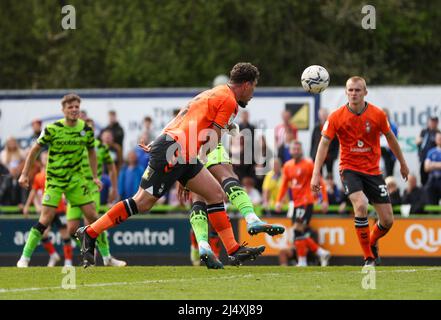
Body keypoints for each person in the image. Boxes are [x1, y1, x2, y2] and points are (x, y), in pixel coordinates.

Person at [75, 63, 275, 269]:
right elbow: (212, 138)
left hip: (179, 149)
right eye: (254, 88)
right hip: (176, 151)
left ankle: (233, 250)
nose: (252, 94)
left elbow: (183, 117)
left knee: (215, 194)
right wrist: (189, 161)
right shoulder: (229, 100)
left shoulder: (213, 93)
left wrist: (166, 146)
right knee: (142, 202)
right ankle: (90, 233)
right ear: (246, 84)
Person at [311, 76, 409, 266]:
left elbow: (391, 139)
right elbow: (323, 144)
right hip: (349, 169)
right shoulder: (336, 116)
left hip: (373, 171)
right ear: (346, 92)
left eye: (357, 90)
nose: (353, 93)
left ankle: (371, 243)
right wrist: (316, 174)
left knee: (388, 220)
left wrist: (402, 163)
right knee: (361, 205)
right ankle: (368, 257)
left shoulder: (378, 114)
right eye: (350, 90)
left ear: (365, 92)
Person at [17, 93, 103, 268]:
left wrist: (94, 176)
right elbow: (34, 151)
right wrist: (25, 174)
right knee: (45, 219)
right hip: (55, 180)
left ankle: (107, 258)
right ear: (63, 110)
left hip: (76, 181)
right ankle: (24, 258)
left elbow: (91, 152)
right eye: (70, 107)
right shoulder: (52, 129)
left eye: (76, 107)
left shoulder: (86, 129)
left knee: (93, 216)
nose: (74, 110)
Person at [65, 118, 125, 267]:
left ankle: (106, 257)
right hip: (75, 188)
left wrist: (114, 188)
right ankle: (87, 248)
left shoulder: (100, 147)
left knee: (91, 222)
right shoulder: (73, 146)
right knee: (71, 228)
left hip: (93, 189)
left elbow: (111, 167)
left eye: (91, 128)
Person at [275, 140, 331, 267]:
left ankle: (303, 261)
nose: (295, 151)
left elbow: (320, 181)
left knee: (297, 230)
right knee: (298, 232)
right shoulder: (288, 166)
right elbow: (284, 184)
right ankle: (321, 253)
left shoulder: (309, 164)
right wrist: (278, 201)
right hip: (296, 204)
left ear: (301, 150)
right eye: (293, 149)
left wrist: (325, 200)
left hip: (306, 202)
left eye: (298, 149)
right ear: (290, 151)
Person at [22, 151, 72, 267]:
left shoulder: (58, 174)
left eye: (49, 158)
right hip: (47, 210)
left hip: (59, 210)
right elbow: (33, 192)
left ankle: (68, 261)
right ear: (41, 162)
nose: (47, 160)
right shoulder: (39, 177)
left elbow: (66, 190)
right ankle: (53, 255)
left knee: (65, 234)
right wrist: (28, 206)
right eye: (45, 158)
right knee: (43, 234)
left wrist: (67, 200)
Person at [310, 108, 339, 176]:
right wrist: (312, 154)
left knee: (329, 173)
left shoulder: (332, 126)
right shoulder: (316, 127)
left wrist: (334, 155)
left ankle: (330, 186)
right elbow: (313, 141)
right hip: (318, 154)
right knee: (318, 173)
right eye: (321, 115)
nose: (323, 117)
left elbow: (336, 142)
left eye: (324, 115)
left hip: (329, 154)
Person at [416, 116, 440, 185]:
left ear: (437, 123)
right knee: (423, 180)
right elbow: (417, 141)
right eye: (432, 121)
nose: (433, 123)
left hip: (432, 161)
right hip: (423, 159)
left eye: (435, 121)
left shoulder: (438, 133)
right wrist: (419, 140)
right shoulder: (424, 131)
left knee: (431, 181)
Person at [424, 131, 441, 205]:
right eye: (438, 138)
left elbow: (430, 165)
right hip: (432, 181)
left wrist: (433, 164)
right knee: (431, 202)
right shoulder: (431, 152)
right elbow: (426, 167)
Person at [380, 108, 399, 177]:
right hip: (380, 152)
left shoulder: (393, 127)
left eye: (386, 116)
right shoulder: (377, 125)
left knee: (389, 175)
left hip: (390, 153)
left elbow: (393, 140)